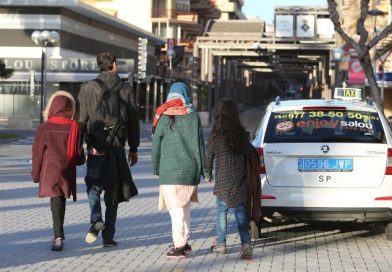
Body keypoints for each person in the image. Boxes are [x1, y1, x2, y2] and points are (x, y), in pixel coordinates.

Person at [78, 50, 139, 247]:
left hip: (96, 147)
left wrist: (78, 145)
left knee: (93, 184)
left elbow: (81, 121)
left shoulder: (87, 89)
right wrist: (134, 148)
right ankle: (109, 236)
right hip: (117, 146)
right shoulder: (125, 88)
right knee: (113, 190)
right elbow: (133, 121)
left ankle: (96, 217)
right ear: (114, 64)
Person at [151, 82, 209, 259]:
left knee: (175, 211)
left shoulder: (163, 116)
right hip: (189, 171)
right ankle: (184, 241)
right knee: (185, 209)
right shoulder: (193, 117)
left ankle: (179, 246)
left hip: (169, 171)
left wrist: (155, 168)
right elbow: (200, 146)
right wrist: (205, 171)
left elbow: (156, 146)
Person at [32, 91, 85, 251]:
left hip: (49, 171)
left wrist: (36, 175)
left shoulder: (44, 127)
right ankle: (58, 235)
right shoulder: (74, 126)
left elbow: (37, 153)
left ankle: (58, 236)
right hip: (66, 170)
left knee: (55, 201)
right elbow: (79, 155)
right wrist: (82, 159)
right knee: (59, 201)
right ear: (71, 108)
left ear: (51, 107)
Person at [205, 98, 253, 260]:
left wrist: (207, 173)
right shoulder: (243, 135)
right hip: (239, 179)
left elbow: (208, 156)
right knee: (240, 213)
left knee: (221, 213)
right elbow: (249, 154)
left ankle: (221, 244)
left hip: (223, 182)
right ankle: (246, 243)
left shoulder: (215, 135)